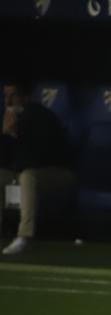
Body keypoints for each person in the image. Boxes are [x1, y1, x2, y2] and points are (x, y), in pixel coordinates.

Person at [0, 81, 75, 255]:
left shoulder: (40, 116)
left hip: (59, 174)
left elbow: (37, 158)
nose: (9, 101)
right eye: (6, 96)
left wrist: (16, 134)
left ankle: (24, 237)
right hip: (23, 171)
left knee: (27, 176)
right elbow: (6, 160)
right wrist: (6, 136)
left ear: (25, 97)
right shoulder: (8, 118)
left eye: (13, 95)